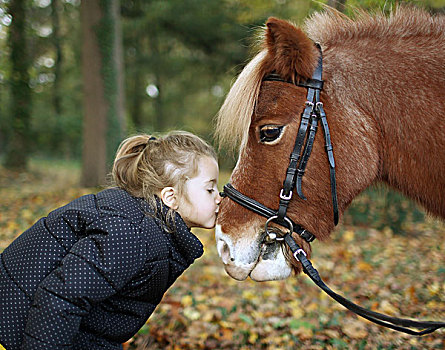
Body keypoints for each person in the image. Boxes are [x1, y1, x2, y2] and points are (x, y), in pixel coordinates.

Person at [0, 131, 222, 350]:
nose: (219, 198)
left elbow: (101, 316)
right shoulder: (130, 234)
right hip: (12, 328)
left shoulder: (151, 231)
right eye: (210, 189)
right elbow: (60, 300)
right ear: (171, 197)